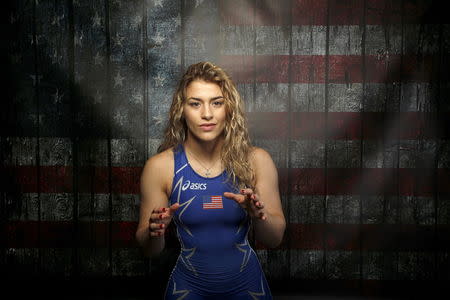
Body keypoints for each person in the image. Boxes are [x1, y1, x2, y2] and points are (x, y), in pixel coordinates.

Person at [136, 62, 286, 299]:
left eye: (217, 103)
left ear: (229, 109)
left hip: (247, 288)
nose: (207, 114)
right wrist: (155, 231)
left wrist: (259, 216)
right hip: (188, 289)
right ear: (181, 110)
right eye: (195, 104)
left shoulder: (257, 160)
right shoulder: (160, 166)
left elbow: (275, 239)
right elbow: (149, 251)